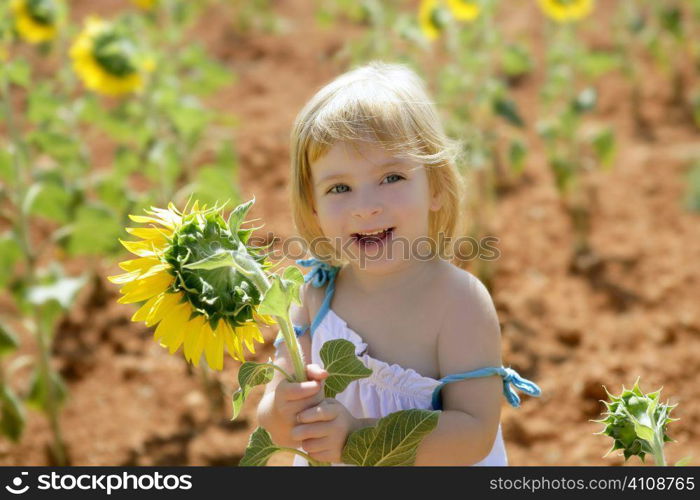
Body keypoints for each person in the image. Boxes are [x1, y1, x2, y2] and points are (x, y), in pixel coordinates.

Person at [256, 61, 540, 466]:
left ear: (436, 188)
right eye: (340, 188)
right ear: (313, 208)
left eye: (391, 178)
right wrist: (280, 409)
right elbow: (275, 416)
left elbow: (475, 432)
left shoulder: (458, 302)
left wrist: (357, 437)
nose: (366, 207)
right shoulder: (314, 293)